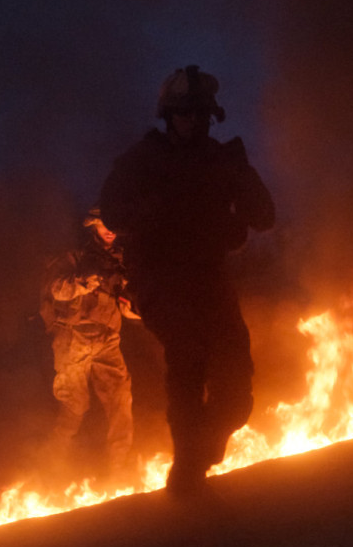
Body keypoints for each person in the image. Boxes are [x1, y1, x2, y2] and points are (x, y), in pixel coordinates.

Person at [99, 65, 275, 496]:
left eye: (200, 113)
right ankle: (187, 470)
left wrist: (242, 190)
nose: (192, 121)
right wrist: (158, 209)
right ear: (168, 115)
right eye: (183, 113)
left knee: (236, 391)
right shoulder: (142, 160)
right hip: (160, 279)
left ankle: (201, 452)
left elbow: (264, 216)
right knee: (189, 354)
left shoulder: (223, 160)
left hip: (210, 279)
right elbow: (113, 213)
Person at [40, 208, 139, 486]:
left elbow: (126, 304)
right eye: (105, 224)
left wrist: (135, 308)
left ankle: (120, 472)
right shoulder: (73, 257)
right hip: (73, 339)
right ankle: (48, 472)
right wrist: (84, 281)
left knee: (120, 401)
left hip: (108, 339)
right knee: (74, 405)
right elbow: (56, 289)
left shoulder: (120, 261)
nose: (110, 230)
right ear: (94, 225)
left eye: (114, 225)